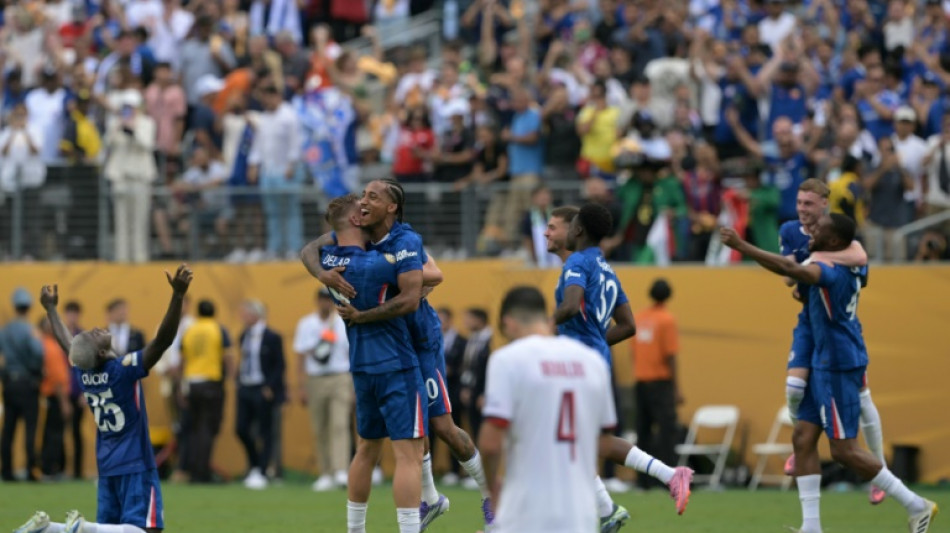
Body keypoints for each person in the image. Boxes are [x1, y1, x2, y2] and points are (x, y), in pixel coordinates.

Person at [720, 216, 939, 533]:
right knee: (803, 438)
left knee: (844, 450)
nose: (812, 230)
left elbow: (792, 270)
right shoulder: (846, 257)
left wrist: (741, 246)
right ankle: (812, 528)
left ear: (835, 242)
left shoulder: (830, 271)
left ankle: (916, 505)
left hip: (837, 365)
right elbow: (838, 261)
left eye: (820, 228)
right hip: (823, 359)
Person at [301, 179, 494, 530]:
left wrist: (408, 284)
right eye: (361, 196)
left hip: (420, 344)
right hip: (393, 349)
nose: (363, 201)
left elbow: (435, 274)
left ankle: (489, 497)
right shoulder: (361, 239)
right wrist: (322, 273)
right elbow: (311, 249)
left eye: (371, 196)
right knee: (409, 436)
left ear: (391, 207)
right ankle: (430, 500)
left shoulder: (403, 239)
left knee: (441, 427)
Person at [545, 204, 693, 532]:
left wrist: (540, 329)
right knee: (581, 440)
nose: (559, 232)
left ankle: (653, 483)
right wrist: (595, 341)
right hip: (594, 362)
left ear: (578, 230)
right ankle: (607, 508)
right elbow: (627, 325)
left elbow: (569, 307)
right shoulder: (606, 268)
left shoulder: (578, 263)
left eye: (566, 227)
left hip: (577, 367)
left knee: (562, 437)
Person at [14, 264, 192, 533]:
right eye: (95, 336)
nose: (97, 329)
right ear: (99, 353)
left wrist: (51, 310)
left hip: (107, 464)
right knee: (147, 529)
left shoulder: (85, 372)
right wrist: (178, 295)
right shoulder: (122, 369)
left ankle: (49, 528)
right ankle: (82, 529)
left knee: (112, 528)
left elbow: (67, 344)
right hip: (135, 462)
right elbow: (163, 340)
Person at [314, 193, 427, 533]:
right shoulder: (376, 262)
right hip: (395, 364)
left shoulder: (329, 260)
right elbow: (425, 280)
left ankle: (355, 530)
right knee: (409, 454)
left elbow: (308, 249)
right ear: (356, 222)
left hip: (360, 367)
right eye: (361, 209)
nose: (365, 208)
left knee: (365, 450)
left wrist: (321, 273)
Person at [778, 179, 888, 505]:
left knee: (863, 398)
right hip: (809, 322)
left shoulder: (837, 232)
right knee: (794, 389)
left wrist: (818, 264)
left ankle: (879, 471)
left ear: (824, 205)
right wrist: (808, 267)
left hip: (838, 326)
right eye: (799, 203)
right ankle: (802, 449)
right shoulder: (791, 231)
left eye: (809, 204)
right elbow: (788, 276)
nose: (802, 210)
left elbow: (860, 258)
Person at [478, 286, 617, 533]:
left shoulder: (507, 360)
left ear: (508, 323)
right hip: (580, 514)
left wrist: (492, 490)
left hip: (525, 511)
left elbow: (490, 444)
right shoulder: (592, 362)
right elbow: (603, 440)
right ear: (549, 319)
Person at [293, 288, 352, 492]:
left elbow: (351, 353)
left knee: (339, 425)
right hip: (316, 378)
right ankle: (325, 472)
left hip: (339, 377)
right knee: (320, 427)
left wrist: (353, 383)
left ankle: (340, 470)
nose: (325, 303)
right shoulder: (306, 324)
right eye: (322, 300)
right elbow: (300, 356)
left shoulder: (343, 321)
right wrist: (301, 386)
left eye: (329, 300)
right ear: (317, 301)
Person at [630, 279, 682, 491]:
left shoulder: (640, 318)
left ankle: (643, 481)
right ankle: (668, 478)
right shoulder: (667, 320)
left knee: (643, 431)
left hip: (640, 381)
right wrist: (676, 388)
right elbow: (670, 355)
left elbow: (633, 351)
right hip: (660, 383)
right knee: (667, 431)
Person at [180, 299, 233, 483]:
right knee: (208, 428)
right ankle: (202, 472)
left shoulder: (190, 330)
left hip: (191, 383)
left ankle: (194, 469)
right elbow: (227, 356)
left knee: (194, 428)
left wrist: (181, 385)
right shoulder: (218, 329)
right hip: (211, 382)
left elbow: (182, 360)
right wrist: (232, 378)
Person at [234, 300, 285, 490]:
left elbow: (279, 364)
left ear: (256, 314)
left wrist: (270, 385)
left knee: (265, 431)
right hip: (245, 386)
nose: (243, 317)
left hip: (262, 388)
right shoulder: (243, 336)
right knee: (241, 428)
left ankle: (262, 470)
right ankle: (254, 464)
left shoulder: (272, 337)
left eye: (246, 313)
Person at [0, 287, 44, 481]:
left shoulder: (5, 331)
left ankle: (6, 470)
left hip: (10, 383)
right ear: (28, 307)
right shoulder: (30, 330)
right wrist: (36, 369)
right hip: (27, 384)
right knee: (30, 428)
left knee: (8, 429)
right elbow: (38, 353)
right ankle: (30, 470)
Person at [38, 316, 72, 479]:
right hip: (55, 395)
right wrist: (64, 402)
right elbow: (58, 378)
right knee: (54, 434)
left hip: (50, 396)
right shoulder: (51, 347)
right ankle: (51, 469)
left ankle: (48, 468)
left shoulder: (44, 344)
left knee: (49, 432)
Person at [62, 301, 86, 479]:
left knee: (77, 432)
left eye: (74, 313)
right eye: (69, 313)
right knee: (58, 431)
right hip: (61, 390)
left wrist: (85, 392)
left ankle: (78, 471)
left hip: (78, 391)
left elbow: (87, 366)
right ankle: (60, 468)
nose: (72, 317)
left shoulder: (83, 337)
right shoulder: (59, 335)